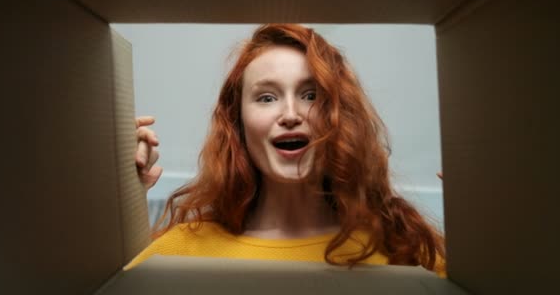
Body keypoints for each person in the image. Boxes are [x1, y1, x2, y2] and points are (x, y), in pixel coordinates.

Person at [127, 24, 445, 276]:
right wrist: (118, 191)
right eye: (267, 97)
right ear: (238, 122)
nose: (291, 114)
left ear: (340, 115)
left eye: (310, 95)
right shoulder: (181, 254)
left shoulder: (407, 252)